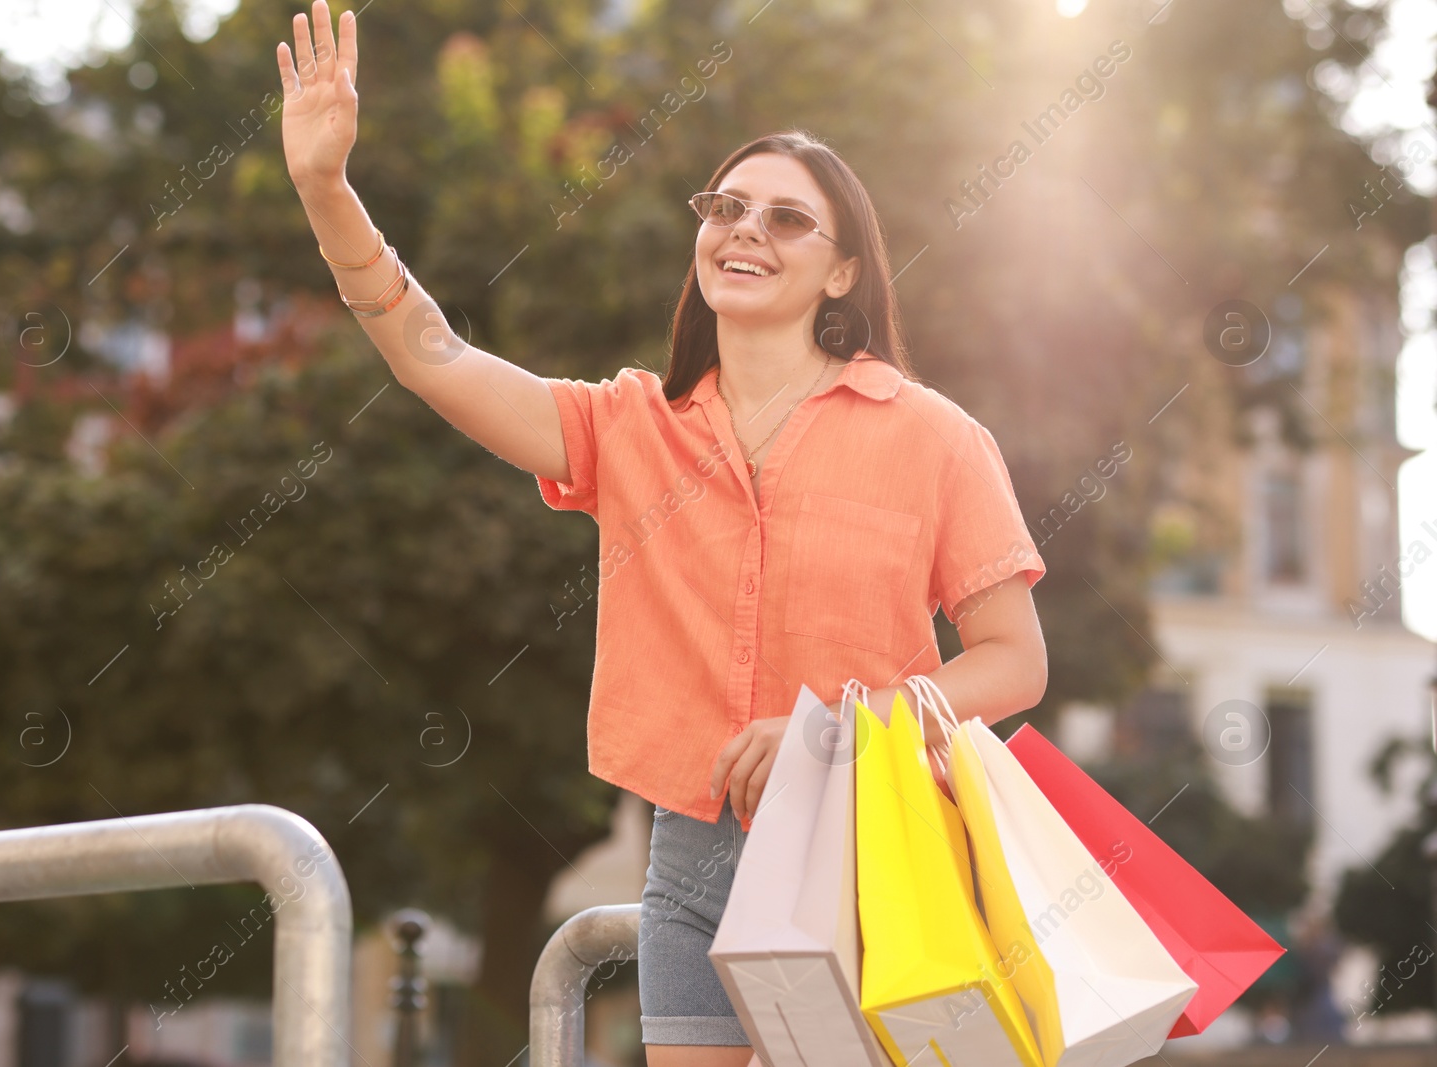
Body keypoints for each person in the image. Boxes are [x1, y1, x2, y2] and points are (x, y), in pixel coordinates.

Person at [276, 5, 1049, 1064]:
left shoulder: (935, 437)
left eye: (786, 219)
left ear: (841, 274)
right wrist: (328, 190)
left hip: (879, 850)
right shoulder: (627, 426)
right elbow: (431, 354)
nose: (744, 229)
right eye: (727, 206)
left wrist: (836, 725)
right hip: (693, 861)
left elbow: (1014, 661)